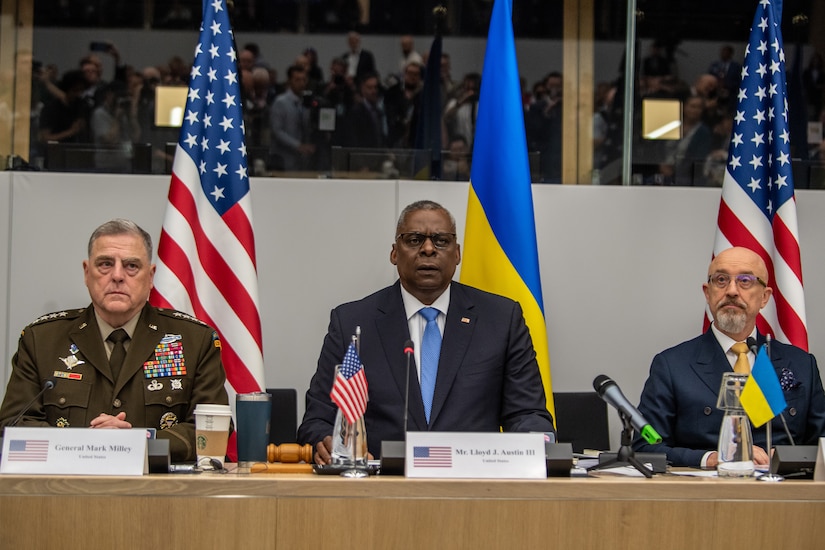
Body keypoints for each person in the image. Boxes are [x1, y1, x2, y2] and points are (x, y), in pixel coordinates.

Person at [297, 200, 554, 463]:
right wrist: (325, 441)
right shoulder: (352, 322)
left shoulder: (501, 319)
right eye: (414, 239)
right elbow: (318, 419)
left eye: (441, 240)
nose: (428, 249)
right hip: (380, 486)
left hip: (474, 486)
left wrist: (538, 444)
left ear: (457, 254)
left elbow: (527, 414)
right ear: (394, 252)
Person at [0, 219, 229, 463]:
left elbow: (213, 429)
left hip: (161, 494)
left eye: (131, 266)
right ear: (87, 273)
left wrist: (138, 444)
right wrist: (86, 446)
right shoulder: (42, 340)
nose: (117, 276)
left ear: (151, 276)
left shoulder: (194, 341)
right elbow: (12, 426)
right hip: (67, 491)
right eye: (105, 264)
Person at [633, 247, 825, 468]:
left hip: (783, 495)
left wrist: (787, 456)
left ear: (764, 297)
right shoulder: (672, 366)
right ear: (708, 292)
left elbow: (822, 444)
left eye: (745, 281)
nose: (732, 290)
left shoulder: (801, 364)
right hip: (707, 496)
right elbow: (644, 447)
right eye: (721, 280)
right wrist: (711, 458)